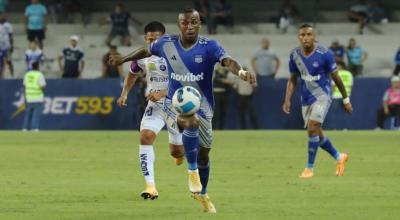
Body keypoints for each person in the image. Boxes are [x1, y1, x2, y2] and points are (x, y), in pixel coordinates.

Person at [109, 8, 256, 213]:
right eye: (185, 23)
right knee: (188, 121)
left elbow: (227, 61)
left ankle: (202, 193)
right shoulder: (166, 44)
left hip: (204, 105)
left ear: (199, 24)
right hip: (174, 101)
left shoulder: (209, 46)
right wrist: (123, 59)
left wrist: (240, 71)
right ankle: (191, 170)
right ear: (179, 25)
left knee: (204, 154)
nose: (189, 26)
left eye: (193, 22)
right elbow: (146, 50)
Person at [116, 21, 185, 200]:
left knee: (176, 152)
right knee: (145, 136)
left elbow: (185, 80)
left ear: (163, 38)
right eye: (149, 39)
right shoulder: (142, 56)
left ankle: (180, 154)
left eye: (155, 39)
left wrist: (163, 92)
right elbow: (132, 73)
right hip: (155, 105)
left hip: (176, 106)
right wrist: (124, 93)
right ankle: (150, 186)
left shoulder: (176, 55)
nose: (152, 43)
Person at [282, 24, 353, 179]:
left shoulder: (325, 53)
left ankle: (309, 168)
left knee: (312, 128)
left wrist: (345, 99)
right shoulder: (294, 55)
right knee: (316, 133)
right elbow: (293, 78)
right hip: (306, 99)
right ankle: (339, 157)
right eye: (302, 35)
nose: (305, 38)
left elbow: (337, 78)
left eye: (308, 34)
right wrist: (287, 99)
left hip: (323, 96)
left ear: (314, 36)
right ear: (298, 37)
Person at [328, 61, 354, 129]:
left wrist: (331, 94)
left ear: (341, 66)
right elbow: (351, 85)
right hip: (346, 96)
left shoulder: (336, 73)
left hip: (336, 96)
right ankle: (346, 128)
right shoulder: (349, 74)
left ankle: (333, 128)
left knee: (334, 113)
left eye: (337, 66)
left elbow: (333, 86)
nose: (336, 67)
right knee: (346, 112)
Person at [22, 62, 46, 131]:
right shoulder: (39, 74)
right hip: (37, 97)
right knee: (36, 114)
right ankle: (34, 128)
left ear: (32, 67)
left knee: (28, 114)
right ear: (38, 67)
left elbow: (24, 85)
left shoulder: (27, 74)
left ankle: (25, 128)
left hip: (29, 97)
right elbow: (43, 86)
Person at [212, 64, 231, 129]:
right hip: (216, 93)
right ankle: (213, 128)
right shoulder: (215, 72)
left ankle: (221, 128)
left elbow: (228, 82)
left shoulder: (226, 73)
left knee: (223, 112)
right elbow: (219, 79)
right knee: (216, 112)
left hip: (224, 94)